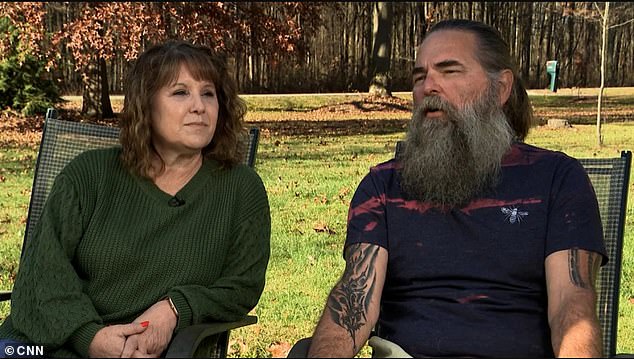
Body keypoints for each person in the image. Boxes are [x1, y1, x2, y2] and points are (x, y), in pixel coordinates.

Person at [304, 19, 606, 358]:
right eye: (419, 76)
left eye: (449, 71)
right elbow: (354, 299)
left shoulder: (556, 179)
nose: (428, 86)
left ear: (501, 88)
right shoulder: (383, 186)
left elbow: (572, 306)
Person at [0, 40, 271, 358]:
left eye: (208, 93)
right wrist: (91, 338)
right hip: (39, 347)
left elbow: (241, 287)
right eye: (180, 92)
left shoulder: (241, 189)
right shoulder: (89, 175)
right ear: (147, 105)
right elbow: (42, 274)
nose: (199, 106)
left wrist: (174, 308)